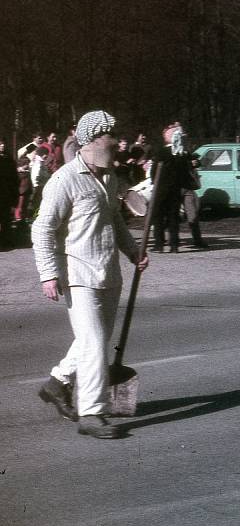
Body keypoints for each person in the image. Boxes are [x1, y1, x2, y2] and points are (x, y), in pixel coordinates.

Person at [32, 110, 148, 439]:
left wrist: (132, 251)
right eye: (111, 135)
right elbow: (42, 230)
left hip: (108, 272)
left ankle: (56, 383)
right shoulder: (65, 180)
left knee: (92, 340)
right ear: (94, 140)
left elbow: (115, 220)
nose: (116, 141)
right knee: (95, 342)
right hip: (77, 274)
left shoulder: (109, 178)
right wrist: (48, 274)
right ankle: (91, 413)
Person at [151, 123, 208, 253]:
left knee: (159, 217)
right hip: (176, 189)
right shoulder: (182, 154)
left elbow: (154, 173)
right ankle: (174, 245)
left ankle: (159, 245)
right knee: (173, 217)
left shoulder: (161, 152)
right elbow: (188, 166)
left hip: (162, 189)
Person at [0, 137, 18, 249]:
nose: (2, 146)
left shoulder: (9, 159)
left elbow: (14, 178)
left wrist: (13, 195)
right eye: (0, 144)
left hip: (6, 193)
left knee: (6, 219)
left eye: (3, 143)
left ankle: (6, 241)